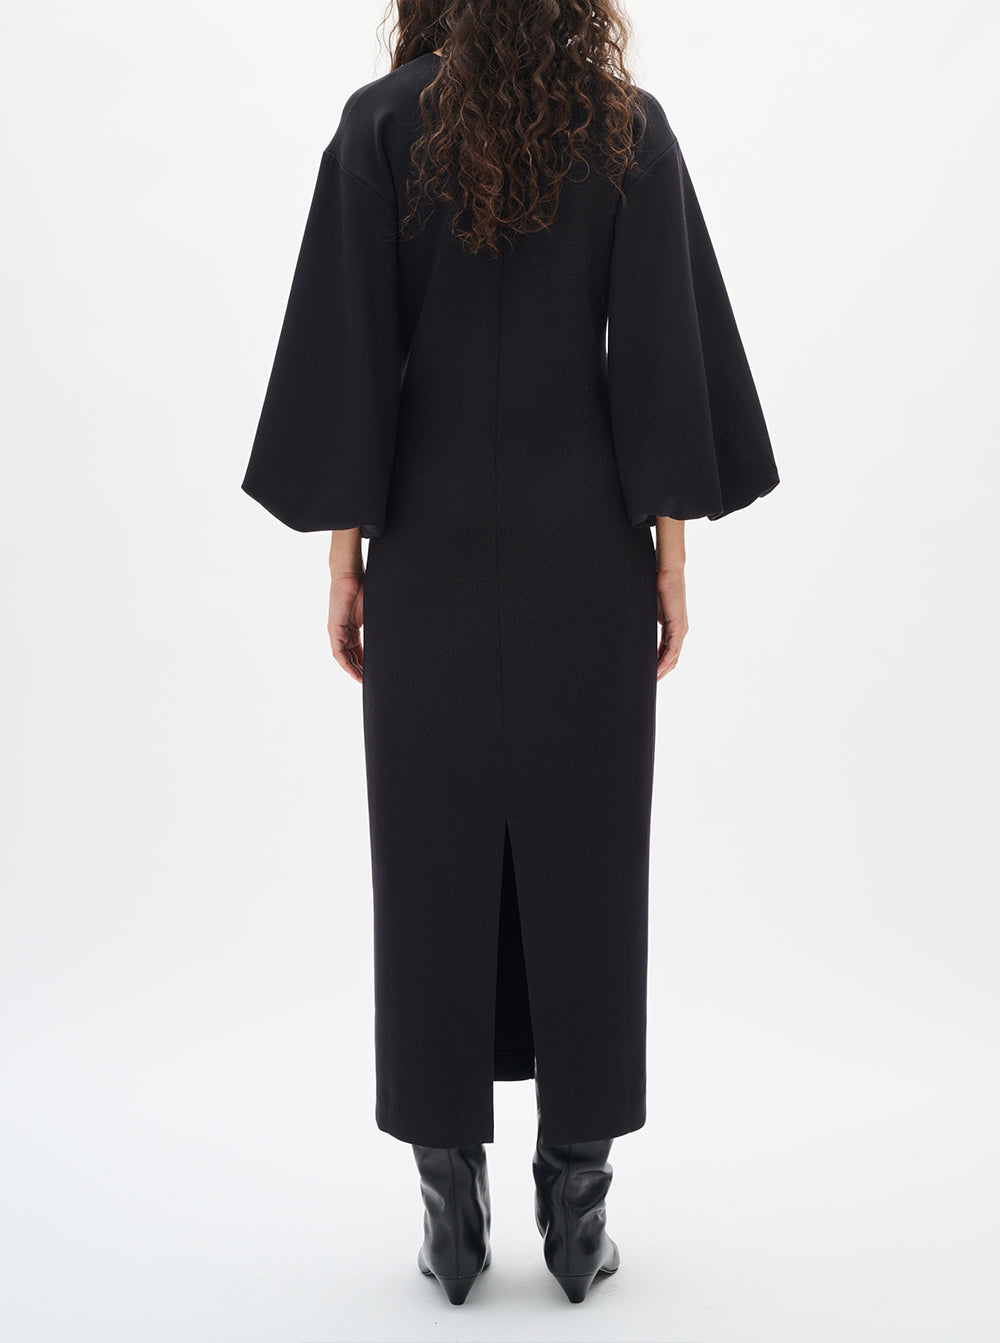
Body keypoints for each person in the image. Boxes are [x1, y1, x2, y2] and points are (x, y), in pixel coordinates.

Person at [240, 1, 779, 1307]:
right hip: (584, 549)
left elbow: (352, 360)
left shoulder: (380, 126)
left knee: (427, 861)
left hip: (426, 549)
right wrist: (669, 554)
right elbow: (659, 360)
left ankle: (449, 1203)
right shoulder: (624, 129)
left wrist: (345, 559)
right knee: (592, 858)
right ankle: (577, 1205)